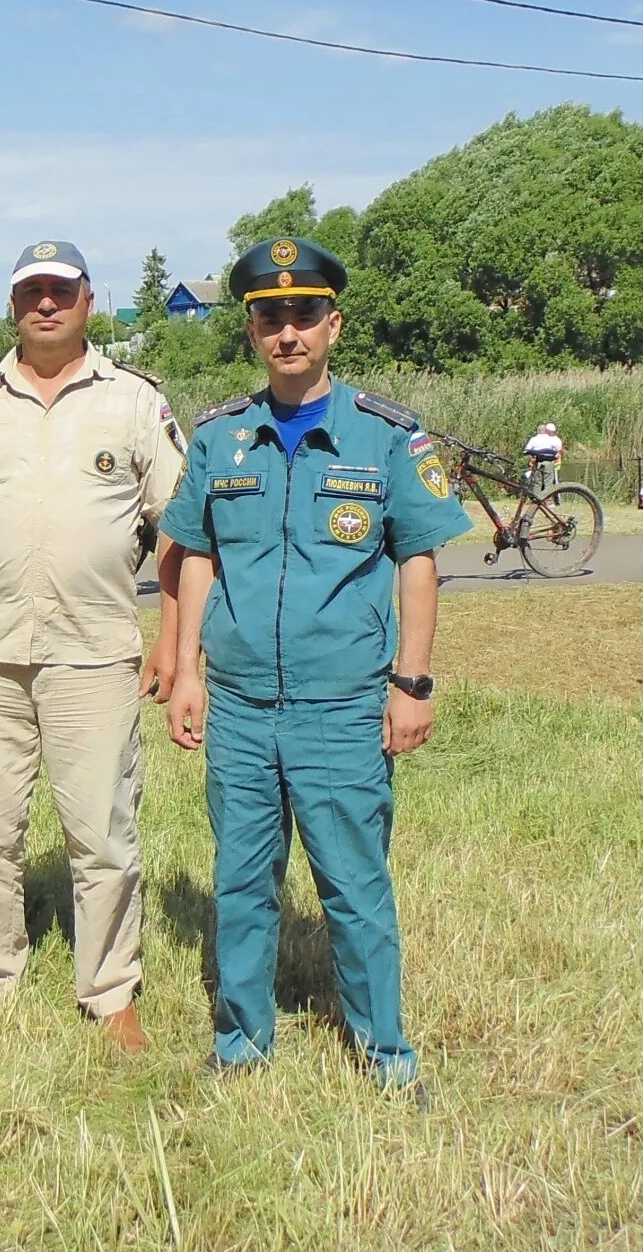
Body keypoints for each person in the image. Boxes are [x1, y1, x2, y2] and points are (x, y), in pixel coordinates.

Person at [162, 238, 468, 1095]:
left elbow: (418, 560)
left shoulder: (390, 438)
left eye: (303, 315)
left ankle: (385, 1053)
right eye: (269, 317)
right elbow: (196, 556)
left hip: (341, 707)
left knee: (355, 886)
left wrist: (411, 682)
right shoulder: (221, 438)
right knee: (242, 881)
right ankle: (242, 1043)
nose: (286, 331)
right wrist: (185, 669)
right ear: (252, 330)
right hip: (243, 705)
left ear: (334, 323)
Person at [0, 239, 186, 1054]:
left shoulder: (133, 403)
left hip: (94, 652)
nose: (47, 305)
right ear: (14, 304)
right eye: (32, 292)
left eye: (62, 290)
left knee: (101, 830)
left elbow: (179, 527)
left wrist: (171, 638)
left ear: (89, 300)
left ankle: (109, 988)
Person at [522, 421, 563, 489]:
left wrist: (531, 459)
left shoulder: (533, 439)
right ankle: (547, 498)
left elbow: (527, 450)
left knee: (537, 482)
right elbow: (559, 451)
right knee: (548, 482)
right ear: (546, 431)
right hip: (548, 463)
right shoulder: (551, 439)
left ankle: (537, 497)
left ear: (538, 431)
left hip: (536, 463)